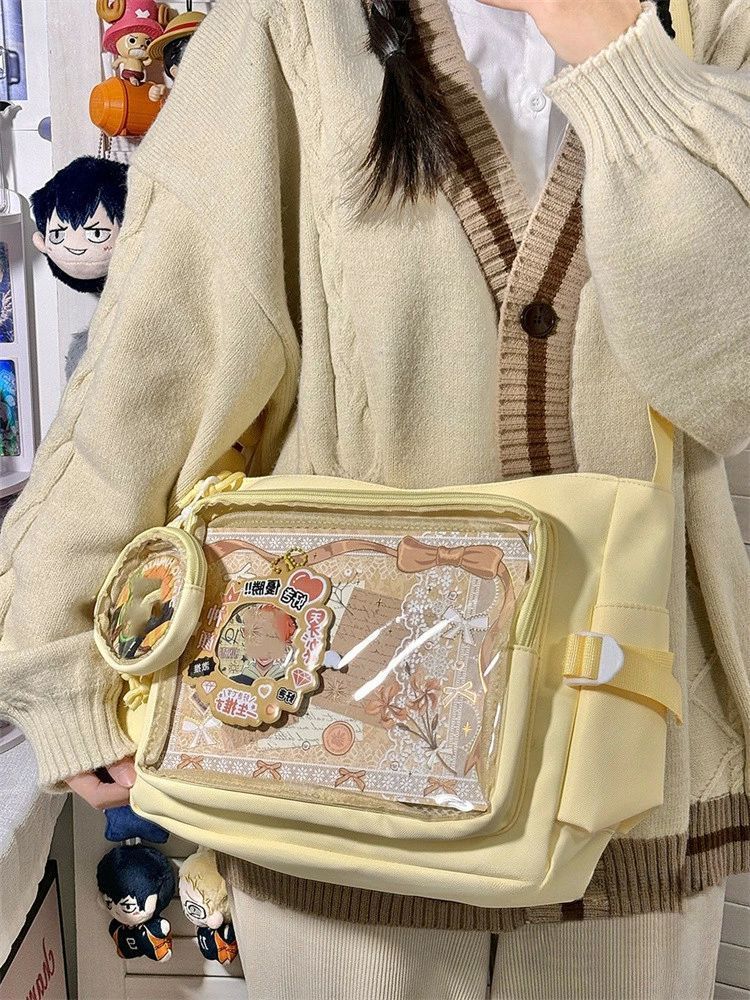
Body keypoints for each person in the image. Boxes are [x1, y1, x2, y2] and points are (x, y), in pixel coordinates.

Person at [0, 0, 748, 997]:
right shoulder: (294, 24)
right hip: (335, 782)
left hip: (632, 782)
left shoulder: (714, 23)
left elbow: (725, 387)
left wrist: (616, 52)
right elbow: (160, 353)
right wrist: (57, 651)